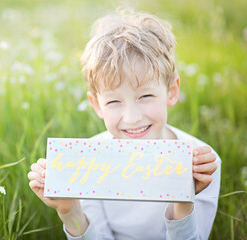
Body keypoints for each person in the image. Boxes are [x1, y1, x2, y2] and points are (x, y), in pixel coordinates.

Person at [28, 10, 220, 240]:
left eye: (145, 96)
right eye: (113, 101)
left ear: (172, 91)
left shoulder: (200, 164)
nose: (132, 118)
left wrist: (183, 200)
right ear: (97, 105)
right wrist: (70, 212)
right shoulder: (88, 161)